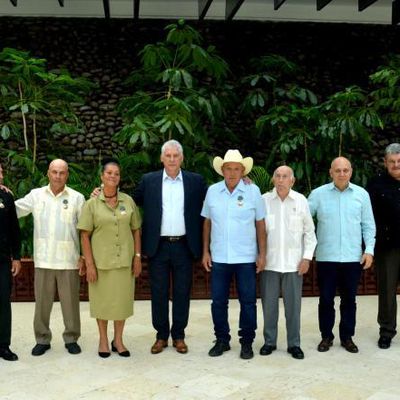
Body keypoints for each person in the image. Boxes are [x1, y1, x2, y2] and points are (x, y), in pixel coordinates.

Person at [133, 140, 207, 354]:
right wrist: (103, 193)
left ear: (182, 158)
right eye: (168, 156)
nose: (172, 159)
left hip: (185, 245)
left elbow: (215, 198)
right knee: (158, 292)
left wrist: (243, 182)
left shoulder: (195, 181)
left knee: (183, 292)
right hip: (158, 246)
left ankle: (179, 336)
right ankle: (161, 336)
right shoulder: (149, 181)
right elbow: (128, 200)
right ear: (162, 158)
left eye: (176, 156)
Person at [15, 159, 85, 356]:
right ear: (48, 173)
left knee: (70, 304)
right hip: (44, 259)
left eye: (62, 173)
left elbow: (86, 228)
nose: (58, 176)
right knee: (42, 304)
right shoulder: (36, 196)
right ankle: (42, 339)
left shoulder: (77, 198)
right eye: (54, 172)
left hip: (69, 260)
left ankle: (71, 338)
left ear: (67, 174)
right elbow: (14, 210)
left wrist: (84, 257)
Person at [202, 149, 266, 360]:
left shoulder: (253, 191)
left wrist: (262, 254)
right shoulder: (212, 191)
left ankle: (246, 342)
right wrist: (205, 251)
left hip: (246, 258)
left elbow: (260, 223)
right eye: (228, 168)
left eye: (236, 169)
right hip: (219, 257)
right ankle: (222, 340)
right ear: (222, 170)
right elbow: (207, 222)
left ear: (242, 171)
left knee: (248, 302)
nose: (232, 173)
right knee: (218, 302)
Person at [308, 157, 376, 353]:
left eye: (345, 170)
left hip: (352, 258)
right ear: (330, 172)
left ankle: (347, 337)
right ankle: (326, 337)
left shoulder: (361, 195)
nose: (341, 174)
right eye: (337, 170)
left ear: (351, 172)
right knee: (326, 300)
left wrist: (369, 250)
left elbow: (369, 226)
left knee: (349, 300)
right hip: (326, 257)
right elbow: (301, 219)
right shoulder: (318, 195)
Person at [78, 159, 141, 358]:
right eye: (109, 173)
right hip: (100, 263)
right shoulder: (92, 204)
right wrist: (89, 264)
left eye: (116, 173)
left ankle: (119, 340)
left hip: (124, 262)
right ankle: (103, 340)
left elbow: (136, 230)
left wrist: (137, 257)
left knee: (121, 303)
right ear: (102, 176)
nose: (113, 176)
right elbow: (84, 235)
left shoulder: (128, 201)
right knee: (102, 303)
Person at [260, 166, 317, 360]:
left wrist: (307, 257)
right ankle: (269, 342)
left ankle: (294, 344)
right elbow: (256, 231)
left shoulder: (300, 201)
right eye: (278, 176)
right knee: (269, 307)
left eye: (285, 177)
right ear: (273, 179)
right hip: (270, 264)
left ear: (292, 181)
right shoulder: (264, 200)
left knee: (293, 308)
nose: (281, 179)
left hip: (294, 265)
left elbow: (310, 232)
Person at [367, 143, 400, 349]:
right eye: (392, 162)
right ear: (385, 163)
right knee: (387, 291)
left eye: (399, 162)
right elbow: (368, 218)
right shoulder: (376, 184)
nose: (396, 165)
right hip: (387, 247)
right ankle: (386, 331)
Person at [0, 162, 22, 361]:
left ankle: (3, 345)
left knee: (3, 303)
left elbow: (14, 229)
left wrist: (16, 257)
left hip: (2, 260)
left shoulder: (6, 197)